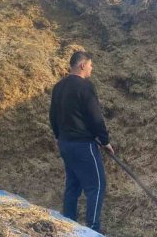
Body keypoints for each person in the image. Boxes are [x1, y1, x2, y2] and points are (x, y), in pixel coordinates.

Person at [49, 51, 114, 233]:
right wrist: (105, 140)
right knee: (97, 185)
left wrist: (58, 136)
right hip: (83, 145)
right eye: (91, 65)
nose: (92, 69)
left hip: (65, 143)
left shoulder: (59, 87)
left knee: (73, 184)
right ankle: (93, 228)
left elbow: (53, 115)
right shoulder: (85, 87)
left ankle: (68, 224)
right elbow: (95, 117)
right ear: (82, 65)